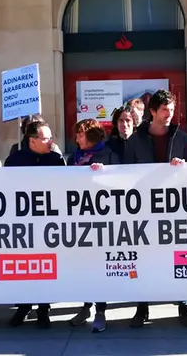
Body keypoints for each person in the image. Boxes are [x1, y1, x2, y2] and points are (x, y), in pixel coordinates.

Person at [123, 89, 187, 328]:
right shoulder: (135, 140)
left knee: (179, 256)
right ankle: (142, 306)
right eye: (164, 110)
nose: (169, 114)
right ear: (152, 111)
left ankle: (183, 303)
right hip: (144, 209)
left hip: (174, 209)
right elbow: (124, 174)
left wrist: (183, 167)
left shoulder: (181, 138)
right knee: (144, 257)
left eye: (172, 110)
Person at [5, 120, 66, 328]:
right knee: (23, 266)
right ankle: (23, 306)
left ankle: (43, 309)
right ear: (32, 141)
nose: (50, 142)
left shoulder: (56, 159)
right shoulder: (15, 160)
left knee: (46, 265)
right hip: (22, 223)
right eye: (46, 138)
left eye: (50, 137)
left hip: (48, 223)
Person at [66, 119, 119, 332]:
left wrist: (103, 175)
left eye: (80, 134)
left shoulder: (108, 155)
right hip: (79, 221)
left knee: (100, 267)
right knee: (84, 267)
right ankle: (85, 306)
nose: (77, 138)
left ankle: (101, 311)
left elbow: (120, 183)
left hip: (101, 223)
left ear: (91, 135)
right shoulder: (74, 157)